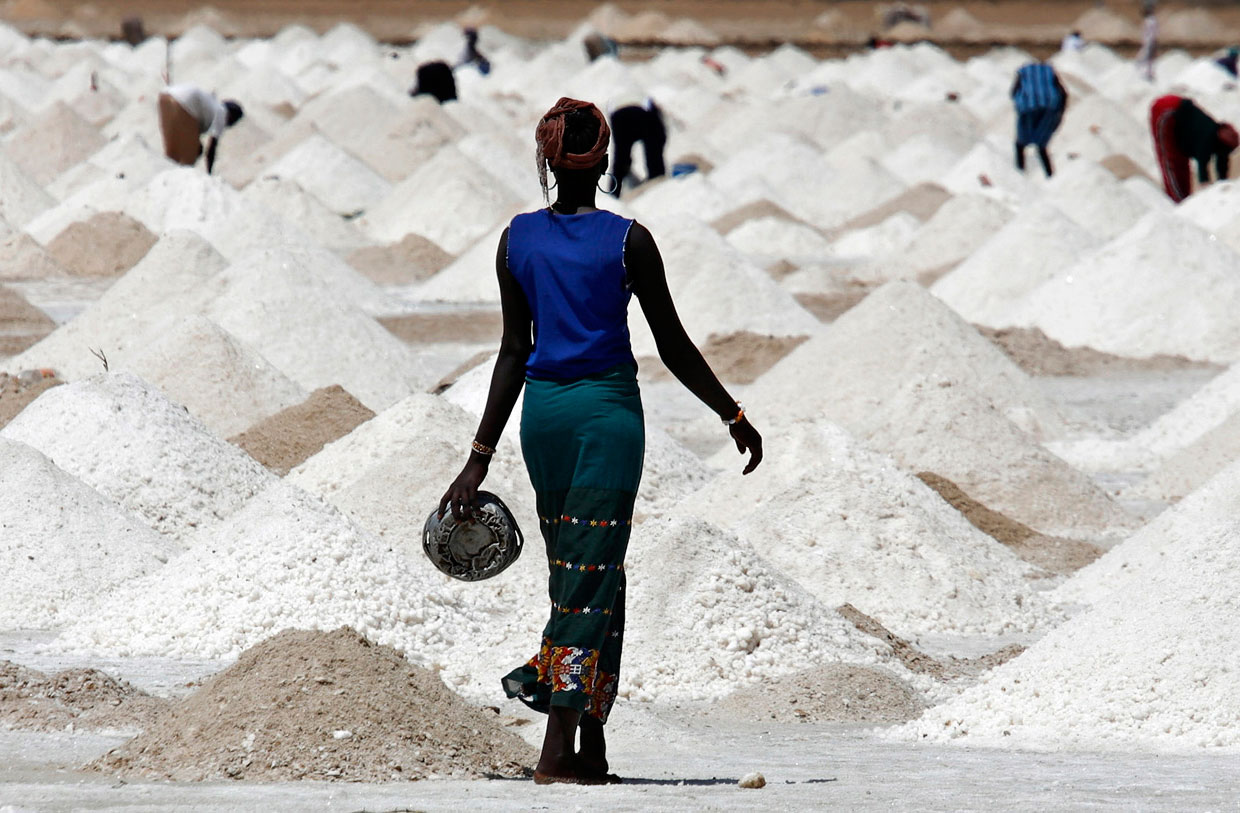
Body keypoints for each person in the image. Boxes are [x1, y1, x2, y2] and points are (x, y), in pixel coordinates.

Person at [438, 98, 762, 785]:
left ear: (546, 161)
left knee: (590, 574)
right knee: (584, 583)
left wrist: (479, 455)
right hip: (608, 419)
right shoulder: (629, 240)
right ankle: (555, 744)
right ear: (606, 160)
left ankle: (592, 747)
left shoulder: (515, 239)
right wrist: (731, 412)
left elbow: (511, 351)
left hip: (542, 421)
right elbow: (670, 344)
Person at [1150, 94, 1239, 203]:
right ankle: (1178, 201)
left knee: (1180, 162)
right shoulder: (1208, 139)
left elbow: (1222, 165)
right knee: (1170, 161)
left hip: (1177, 118)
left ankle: (1182, 199)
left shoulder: (1219, 139)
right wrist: (1207, 187)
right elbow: (1203, 167)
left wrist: (1223, 186)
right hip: (1167, 109)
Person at [157, 84, 243, 173]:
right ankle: (180, 173)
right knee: (192, 152)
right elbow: (211, 149)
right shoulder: (222, 113)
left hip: (166, 96)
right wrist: (209, 173)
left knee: (175, 152)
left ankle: (169, 171)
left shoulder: (212, 104)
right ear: (231, 116)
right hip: (183, 102)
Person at [1011, 61, 1067, 178]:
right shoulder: (1050, 73)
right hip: (1049, 109)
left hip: (1028, 108)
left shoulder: (1023, 73)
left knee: (1020, 143)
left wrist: (1019, 105)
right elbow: (1064, 93)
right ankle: (1050, 175)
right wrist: (1060, 112)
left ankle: (1020, 174)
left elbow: (1013, 92)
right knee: (1041, 144)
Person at [608, 97, 667, 197]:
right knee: (654, 155)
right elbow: (659, 138)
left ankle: (613, 194)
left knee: (621, 158)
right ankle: (658, 184)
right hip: (644, 111)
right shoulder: (653, 109)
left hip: (618, 113)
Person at [1137, 6, 1158, 81]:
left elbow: (1150, 33)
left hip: (1149, 42)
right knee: (1147, 59)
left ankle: (1147, 75)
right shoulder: (1151, 20)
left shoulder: (1150, 21)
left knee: (1145, 59)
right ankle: (1148, 74)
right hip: (1149, 42)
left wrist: (1149, 42)